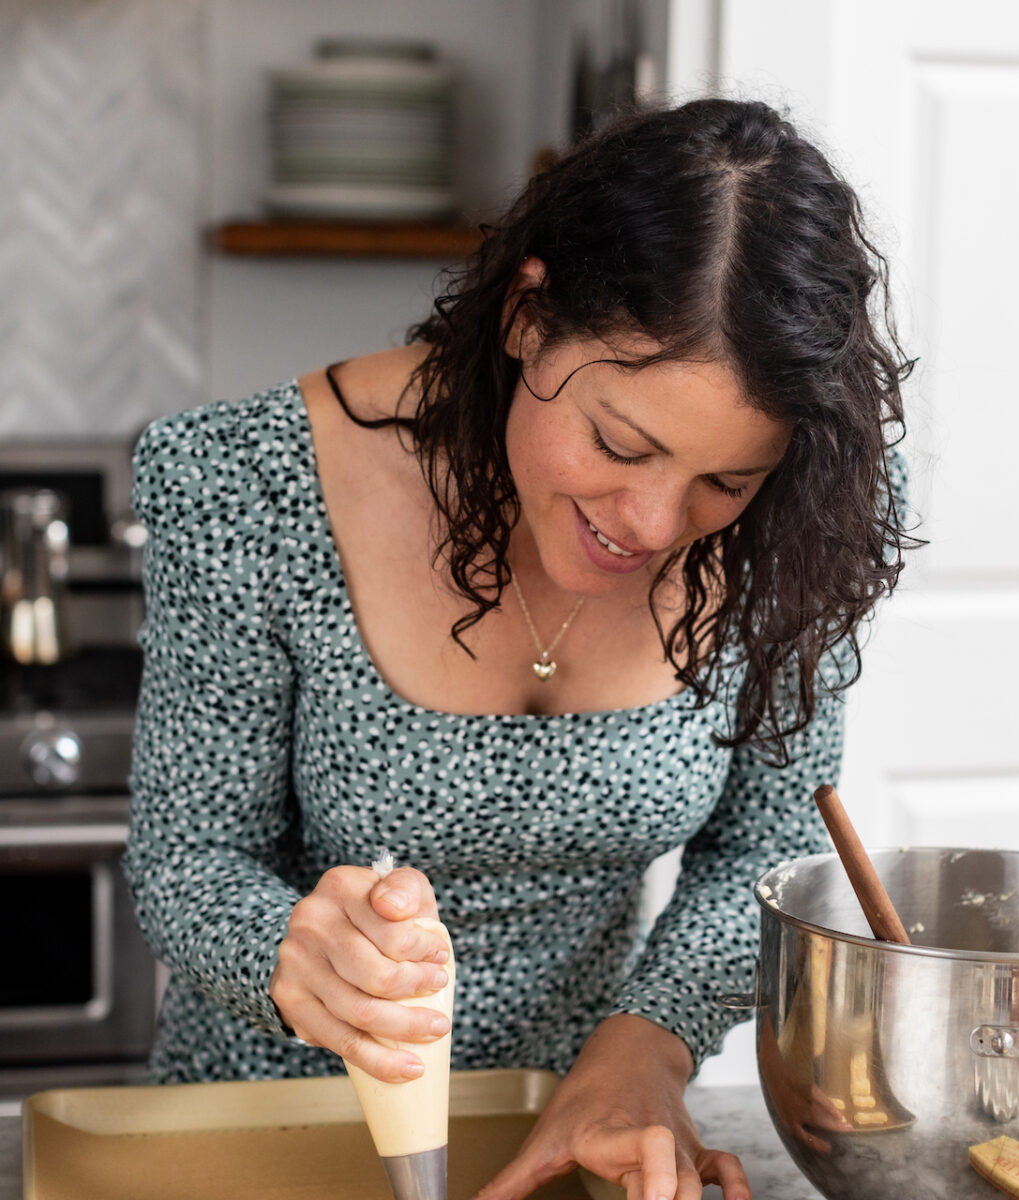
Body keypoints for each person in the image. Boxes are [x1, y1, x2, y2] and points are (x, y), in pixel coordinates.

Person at [124, 97, 911, 1200]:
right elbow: (185, 860)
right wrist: (295, 954)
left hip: (577, 1138)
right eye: (618, 442)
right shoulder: (247, 482)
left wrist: (646, 1047)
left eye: (722, 481)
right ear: (528, 316)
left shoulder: (795, 518)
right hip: (260, 1137)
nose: (650, 523)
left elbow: (770, 845)